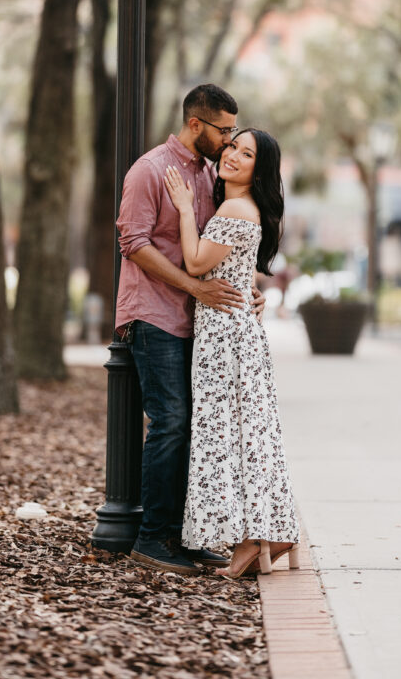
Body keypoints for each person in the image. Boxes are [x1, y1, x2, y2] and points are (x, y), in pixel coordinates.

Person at [116, 83, 263, 576]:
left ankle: (186, 534)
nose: (229, 141)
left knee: (197, 428)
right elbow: (133, 243)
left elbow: (219, 244)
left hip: (199, 322)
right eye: (223, 131)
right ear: (195, 123)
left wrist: (246, 286)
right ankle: (152, 538)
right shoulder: (150, 170)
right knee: (172, 421)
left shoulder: (209, 174)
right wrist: (193, 287)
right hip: (153, 314)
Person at [164, 128, 300, 579]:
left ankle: (249, 540)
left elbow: (197, 263)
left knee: (224, 435)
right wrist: (254, 291)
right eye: (233, 147)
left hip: (225, 336)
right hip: (238, 329)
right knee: (251, 435)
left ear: (260, 169)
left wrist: (185, 209)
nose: (234, 157)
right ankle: (273, 529)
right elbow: (236, 267)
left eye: (248, 154)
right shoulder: (247, 208)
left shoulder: (235, 207)